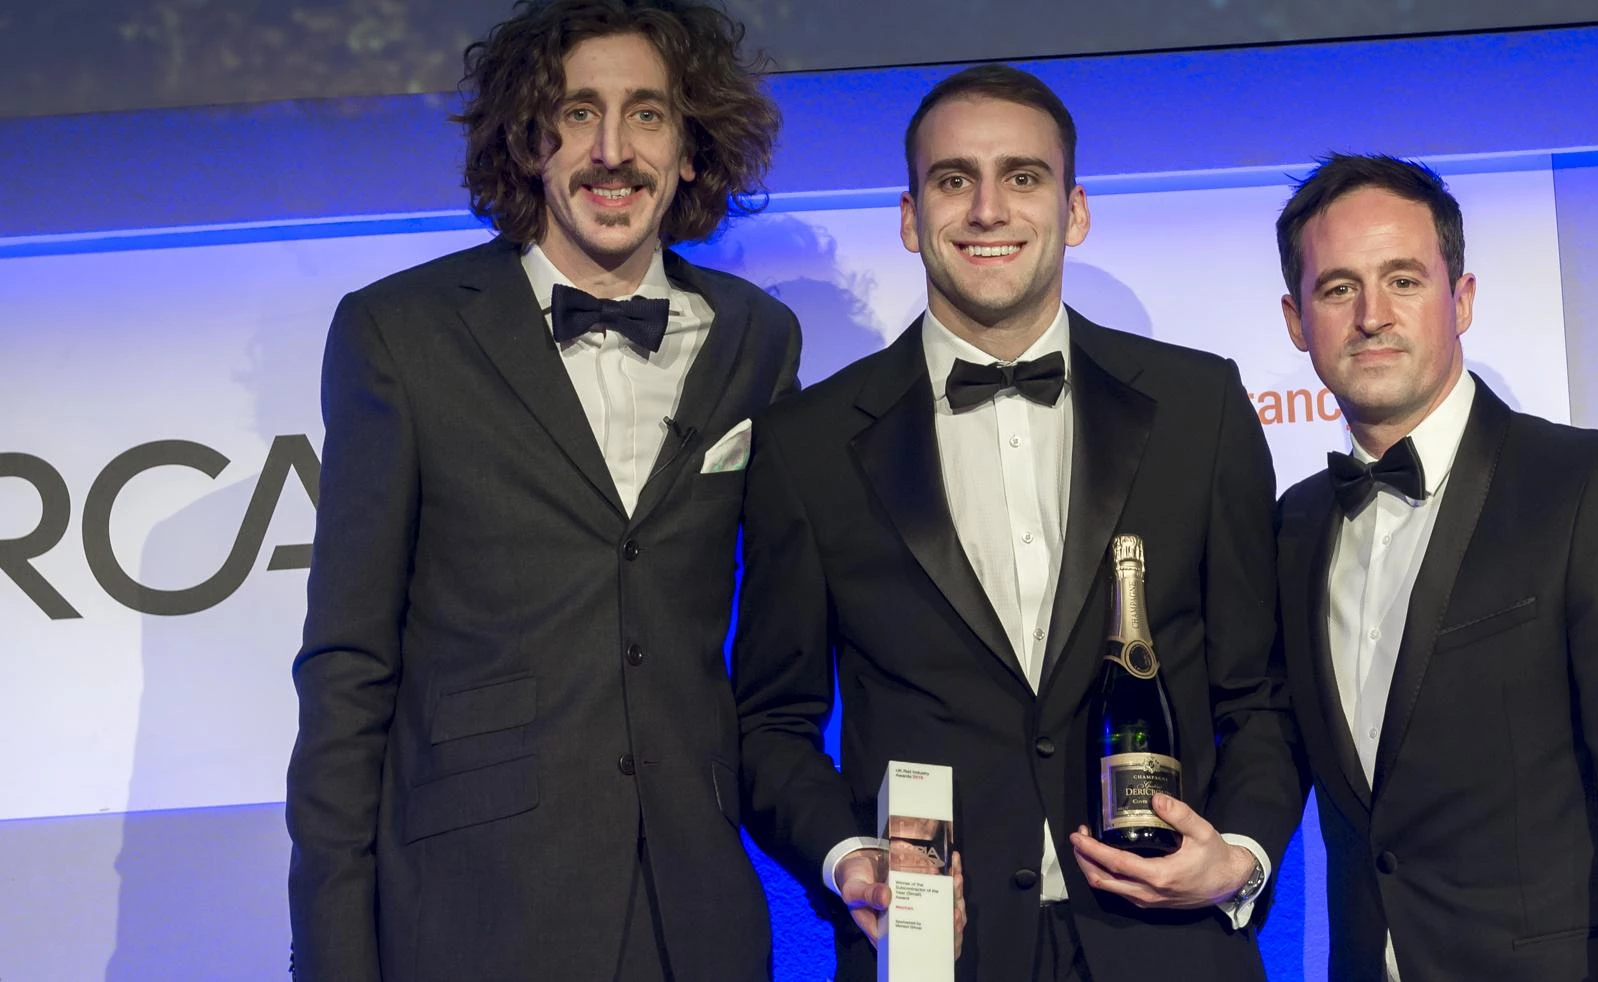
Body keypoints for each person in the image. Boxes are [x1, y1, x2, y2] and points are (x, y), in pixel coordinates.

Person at [732, 64, 1300, 982]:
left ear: (1074, 210)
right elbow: (770, 721)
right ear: (912, 218)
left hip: (1167, 948)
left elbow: (1259, 691)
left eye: (1023, 177)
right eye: (954, 179)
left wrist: (1240, 854)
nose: (988, 209)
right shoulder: (808, 445)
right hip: (936, 953)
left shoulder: (1202, 407)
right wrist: (849, 859)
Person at [285, 2, 796, 978]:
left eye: (647, 114)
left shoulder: (757, 338)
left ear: (691, 148)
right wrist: (334, 956)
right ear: (526, 142)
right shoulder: (400, 333)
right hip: (478, 909)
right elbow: (349, 671)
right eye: (576, 114)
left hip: (696, 916)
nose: (613, 150)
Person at [1270, 154, 1598, 981]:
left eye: (1404, 280)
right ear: (1295, 320)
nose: (1372, 315)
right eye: (1338, 288)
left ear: (1463, 299)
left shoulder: (1589, 485)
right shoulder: (1293, 525)